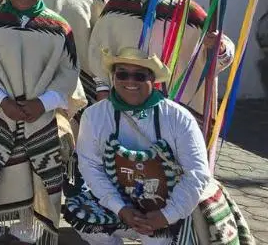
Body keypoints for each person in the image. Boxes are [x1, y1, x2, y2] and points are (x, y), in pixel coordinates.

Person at [64, 47, 256, 245]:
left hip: (169, 201)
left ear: (152, 80)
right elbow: (90, 165)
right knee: (81, 213)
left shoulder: (177, 117)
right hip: (121, 200)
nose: (130, 81)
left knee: (156, 240)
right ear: (113, 77)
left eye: (139, 76)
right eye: (122, 74)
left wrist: (167, 215)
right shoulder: (95, 115)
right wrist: (120, 208)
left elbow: (197, 173)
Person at [0, 0, 84, 245]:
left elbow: (68, 74)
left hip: (40, 117)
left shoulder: (59, 27)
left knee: (37, 176)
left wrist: (43, 103)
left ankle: (33, 233)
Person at [87, 0, 234, 114]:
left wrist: (218, 47)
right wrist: (103, 90)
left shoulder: (189, 12)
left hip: (176, 108)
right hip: (123, 105)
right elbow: (97, 53)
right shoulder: (115, 8)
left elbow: (219, 53)